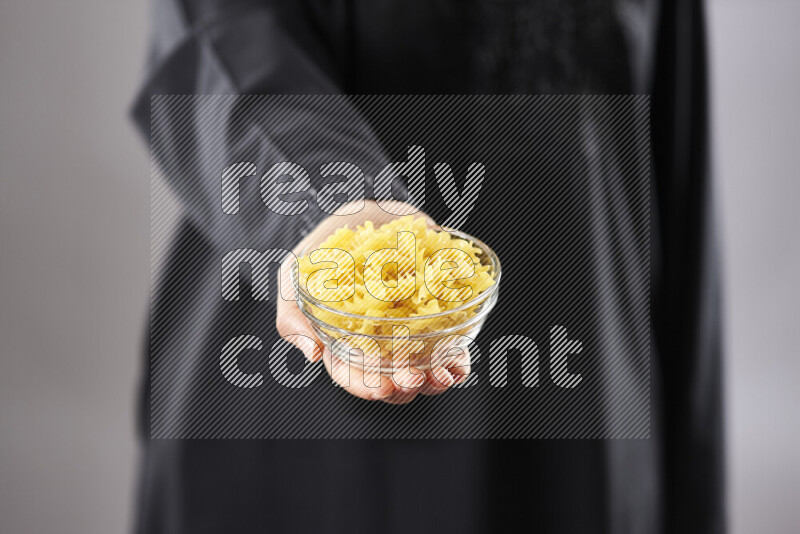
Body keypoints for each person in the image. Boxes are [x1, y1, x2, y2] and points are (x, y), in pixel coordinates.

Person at [132, 1, 723, 532]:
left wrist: (694, 500)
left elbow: (673, 189)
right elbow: (225, 45)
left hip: (574, 451)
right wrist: (339, 218)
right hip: (293, 447)